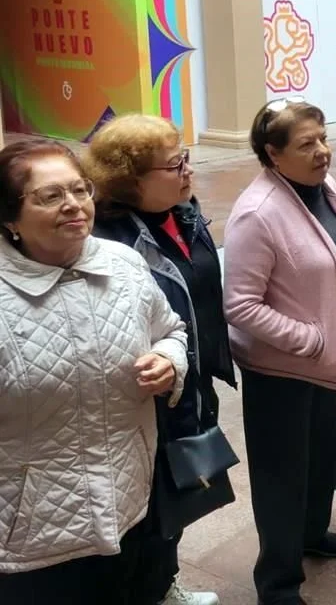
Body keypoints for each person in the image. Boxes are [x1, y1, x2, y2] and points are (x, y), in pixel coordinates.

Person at [0, 140, 188, 605]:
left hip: (129, 504)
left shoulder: (123, 263)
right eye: (50, 196)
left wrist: (170, 361)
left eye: (79, 190)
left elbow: (171, 329)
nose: (73, 205)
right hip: (33, 535)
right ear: (9, 218)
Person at [85, 114, 235, 605]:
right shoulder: (107, 241)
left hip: (191, 377)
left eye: (185, 158)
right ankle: (147, 590)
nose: (187, 170)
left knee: (181, 493)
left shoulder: (183, 212)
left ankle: (164, 583)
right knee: (147, 507)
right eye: (174, 165)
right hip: (147, 393)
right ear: (130, 180)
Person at [223, 97, 336, 605]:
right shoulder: (257, 214)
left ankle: (311, 534)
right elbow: (239, 304)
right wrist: (309, 339)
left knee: (319, 458)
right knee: (281, 477)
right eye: (307, 144)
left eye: (323, 138)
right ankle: (278, 583)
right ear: (273, 153)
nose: (322, 151)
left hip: (323, 363)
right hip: (281, 371)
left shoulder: (322, 187)